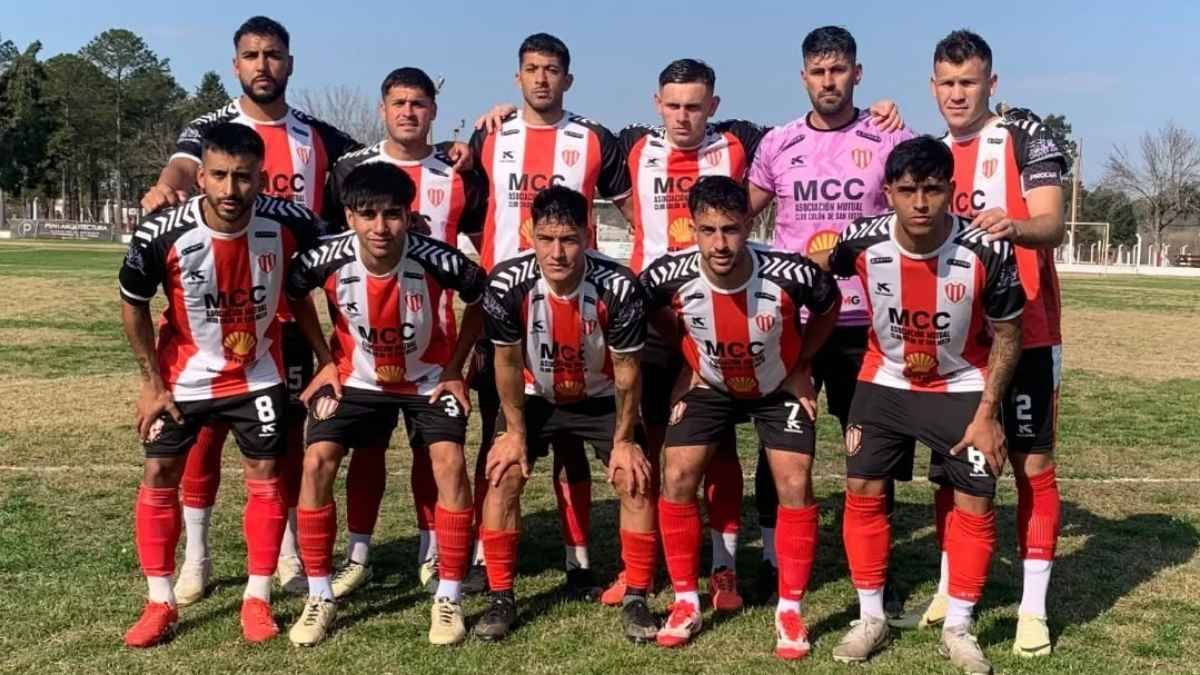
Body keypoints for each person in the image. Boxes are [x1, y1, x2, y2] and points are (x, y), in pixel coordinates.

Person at [139, 16, 363, 602]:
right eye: (251, 55)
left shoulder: (321, 136)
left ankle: (286, 551)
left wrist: (453, 148)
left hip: (286, 311)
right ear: (235, 64)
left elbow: (380, 165)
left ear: (290, 63)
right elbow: (184, 166)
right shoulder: (211, 126)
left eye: (273, 54)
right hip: (215, 315)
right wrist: (165, 187)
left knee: (282, 439)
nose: (263, 64)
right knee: (203, 440)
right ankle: (197, 556)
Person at [118, 122, 321, 647]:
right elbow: (132, 303)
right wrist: (150, 382)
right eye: (221, 177)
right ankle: (159, 601)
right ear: (201, 175)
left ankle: (257, 597)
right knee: (160, 468)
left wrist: (330, 357)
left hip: (257, 375)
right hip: (184, 378)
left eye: (245, 178)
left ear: (262, 178)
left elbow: (343, 259)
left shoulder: (292, 221)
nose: (232, 191)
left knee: (265, 473)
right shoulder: (161, 231)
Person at [827, 136, 1024, 675]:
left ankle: (959, 625)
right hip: (884, 379)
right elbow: (825, 274)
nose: (919, 202)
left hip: (961, 385)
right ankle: (870, 618)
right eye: (908, 190)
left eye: (932, 190)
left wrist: (987, 412)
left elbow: (1008, 334)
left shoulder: (986, 249)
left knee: (975, 501)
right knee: (862, 486)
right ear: (887, 191)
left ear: (951, 192)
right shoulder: (861, 241)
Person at [282, 161, 484, 646]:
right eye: (367, 214)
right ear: (349, 216)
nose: (380, 227)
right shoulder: (323, 257)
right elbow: (295, 293)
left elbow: (480, 297)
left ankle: (449, 596)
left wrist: (456, 367)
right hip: (356, 379)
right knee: (316, 462)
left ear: (409, 214)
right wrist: (326, 360)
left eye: (392, 214)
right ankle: (319, 595)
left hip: (427, 380)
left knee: (449, 462)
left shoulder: (439, 257)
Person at [747, 26, 915, 609]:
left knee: (870, 447)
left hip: (868, 321)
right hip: (794, 319)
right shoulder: (777, 143)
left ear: (857, 73)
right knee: (781, 441)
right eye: (818, 72)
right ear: (803, 78)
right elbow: (737, 217)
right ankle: (772, 560)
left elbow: (922, 202)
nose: (828, 81)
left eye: (838, 70)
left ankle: (878, 565)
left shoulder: (889, 136)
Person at [641, 176, 839, 659]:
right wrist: (689, 357)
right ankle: (686, 601)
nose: (720, 243)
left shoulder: (791, 273)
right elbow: (648, 310)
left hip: (776, 385)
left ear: (749, 224)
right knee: (678, 472)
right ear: (692, 227)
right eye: (707, 230)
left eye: (731, 229)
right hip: (711, 384)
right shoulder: (667, 273)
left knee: (794, 480)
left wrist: (800, 367)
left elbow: (829, 307)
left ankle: (789, 610)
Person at [466, 33, 632, 599]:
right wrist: (490, 269)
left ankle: (578, 556)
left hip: (579, 305)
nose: (541, 79)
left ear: (569, 78)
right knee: (501, 435)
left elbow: (636, 212)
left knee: (570, 441)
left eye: (552, 69)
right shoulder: (490, 136)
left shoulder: (594, 140)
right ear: (517, 78)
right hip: (508, 312)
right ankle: (487, 556)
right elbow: (469, 209)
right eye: (532, 69)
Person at [919, 30, 1068, 659]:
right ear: (934, 87)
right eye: (948, 84)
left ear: (991, 84)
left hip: (1028, 331)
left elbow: (1053, 224)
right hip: (957, 338)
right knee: (952, 470)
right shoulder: (925, 154)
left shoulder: (1023, 133)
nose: (958, 94)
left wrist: (1016, 227)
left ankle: (1032, 608)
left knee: (1033, 465)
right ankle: (952, 583)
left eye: (969, 82)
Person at [321, 66, 489, 599]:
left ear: (433, 111)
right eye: (398, 103)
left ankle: (431, 549)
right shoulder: (351, 168)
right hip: (362, 349)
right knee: (366, 452)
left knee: (431, 452)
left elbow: (480, 254)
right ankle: (359, 553)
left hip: (433, 350)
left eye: (419, 103)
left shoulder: (459, 175)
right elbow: (328, 254)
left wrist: (465, 354)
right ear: (382, 109)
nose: (409, 112)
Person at [475, 186, 656, 643]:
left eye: (570, 239)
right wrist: (514, 432)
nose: (557, 252)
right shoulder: (505, 283)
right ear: (531, 236)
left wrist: (624, 440)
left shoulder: (619, 286)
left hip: (599, 395)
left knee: (634, 477)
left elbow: (628, 373)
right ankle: (500, 596)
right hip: (535, 396)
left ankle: (637, 595)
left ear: (589, 234)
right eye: (547, 238)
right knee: (503, 472)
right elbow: (508, 363)